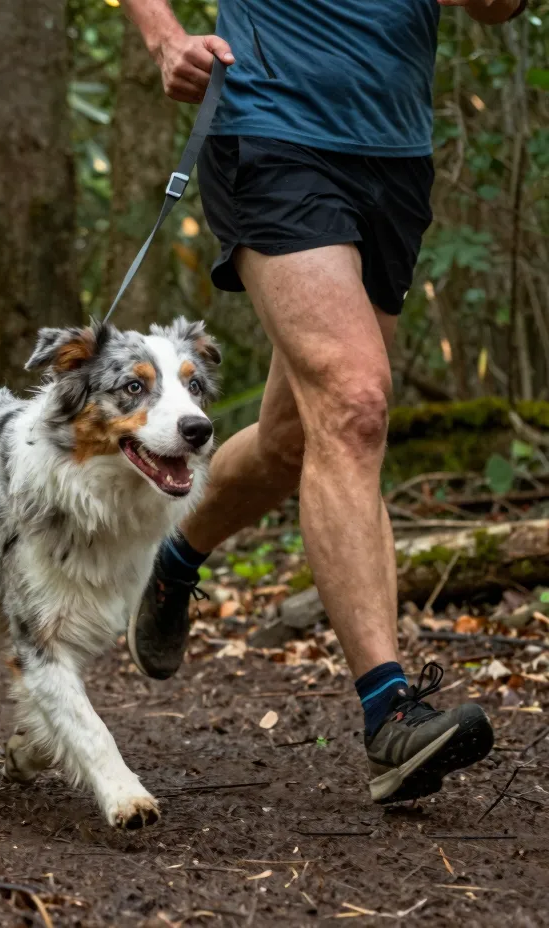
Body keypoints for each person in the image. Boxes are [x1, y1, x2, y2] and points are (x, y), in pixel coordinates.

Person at [120, 0, 525, 804]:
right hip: (270, 129)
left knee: (291, 441)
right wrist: (164, 37)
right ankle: (390, 713)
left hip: (395, 150)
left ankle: (173, 558)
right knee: (354, 401)